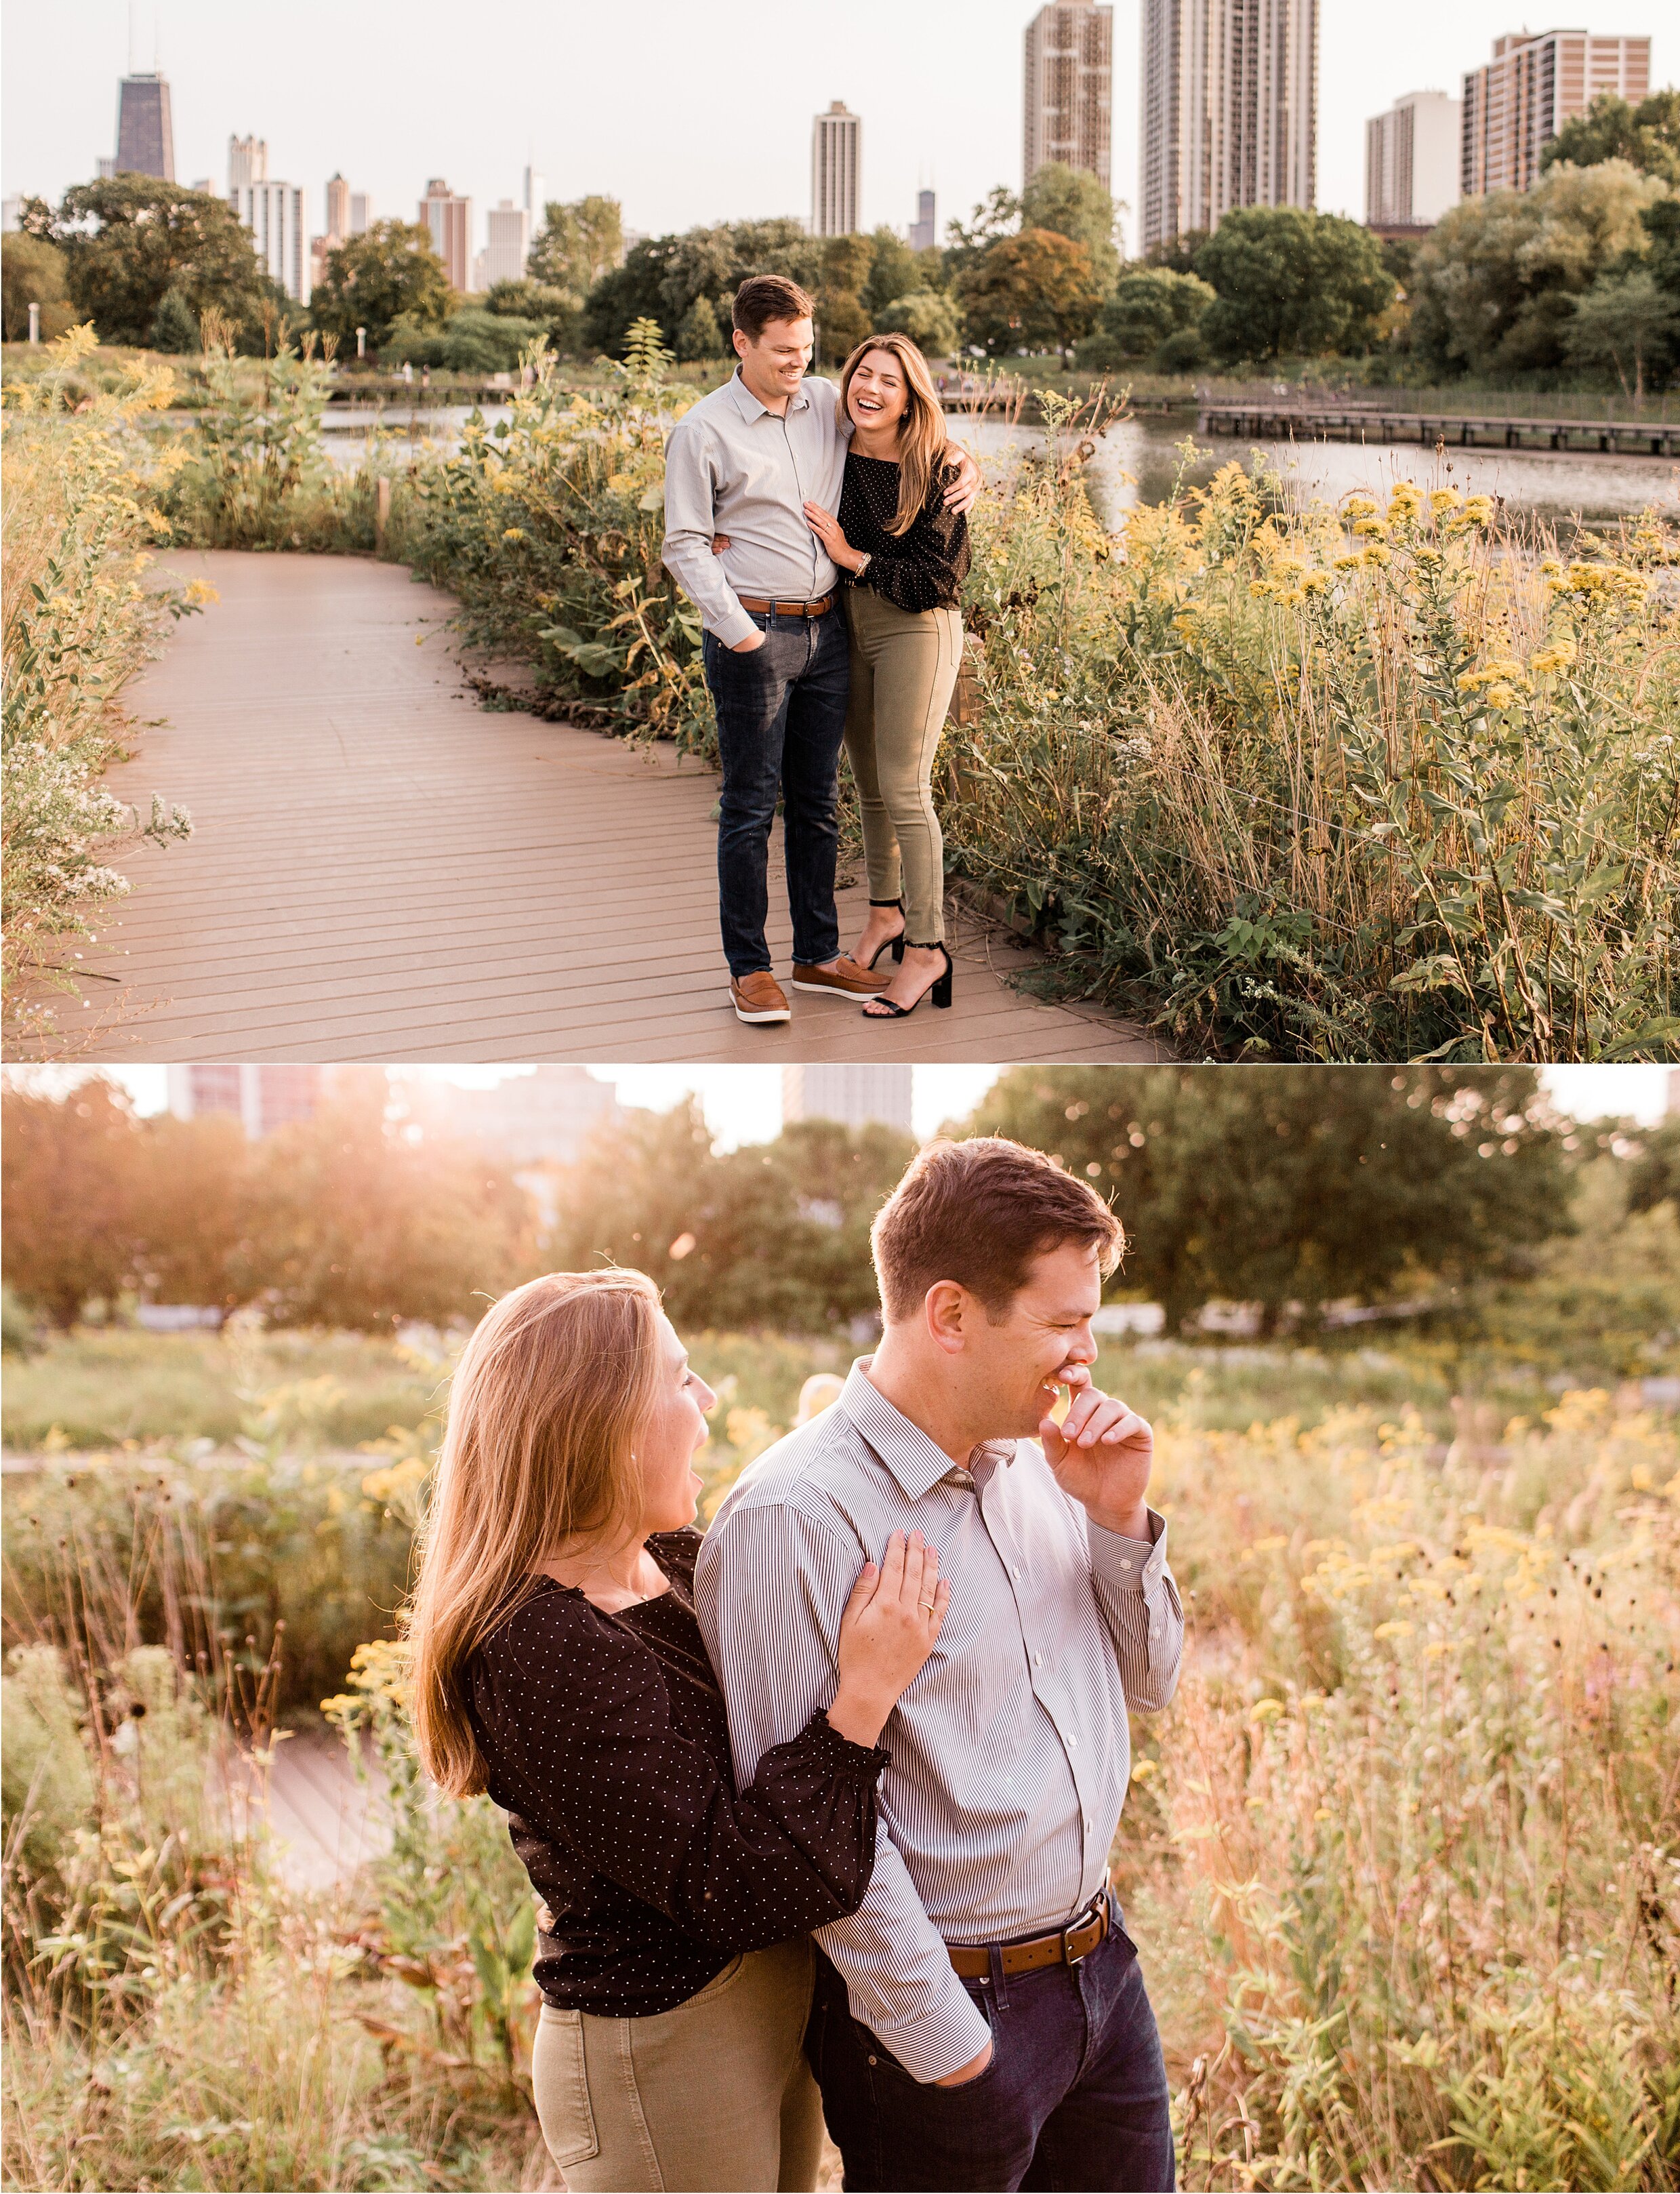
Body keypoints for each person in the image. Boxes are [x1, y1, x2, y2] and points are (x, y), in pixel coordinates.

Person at [698, 1139, 1185, 2193]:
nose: (1085, 1356)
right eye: (1063, 1324)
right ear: (952, 1315)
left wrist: (1119, 1518)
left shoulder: (1048, 1464)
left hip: (1102, 1975)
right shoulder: (797, 1516)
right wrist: (949, 2047)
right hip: (954, 2025)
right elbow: (805, 1826)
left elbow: (1153, 1685)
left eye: (1089, 1322)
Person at [404, 1268, 951, 2193]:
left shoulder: (677, 1564)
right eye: (681, 1376)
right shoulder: (543, 1643)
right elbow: (727, 1882)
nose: (707, 1402)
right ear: (604, 1421)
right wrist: (863, 1697)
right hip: (666, 2052)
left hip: (767, 2010)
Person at [662, 276, 979, 1028]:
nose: (797, 365)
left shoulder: (825, 403)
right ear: (741, 343)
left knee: (817, 805)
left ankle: (815, 953)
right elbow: (683, 542)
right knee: (747, 807)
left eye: (807, 349)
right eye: (781, 353)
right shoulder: (702, 431)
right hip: (757, 633)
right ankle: (751, 969)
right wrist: (740, 631)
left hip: (832, 629)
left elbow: (906, 425)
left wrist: (966, 462)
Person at [802, 335, 970, 1019]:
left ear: (910, 399)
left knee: (904, 785)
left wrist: (851, 554)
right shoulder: (832, 449)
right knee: (868, 782)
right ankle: (884, 916)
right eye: (862, 375)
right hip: (849, 624)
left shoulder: (934, 468)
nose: (870, 389)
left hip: (915, 628)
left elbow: (939, 579)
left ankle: (927, 949)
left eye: (889, 383)